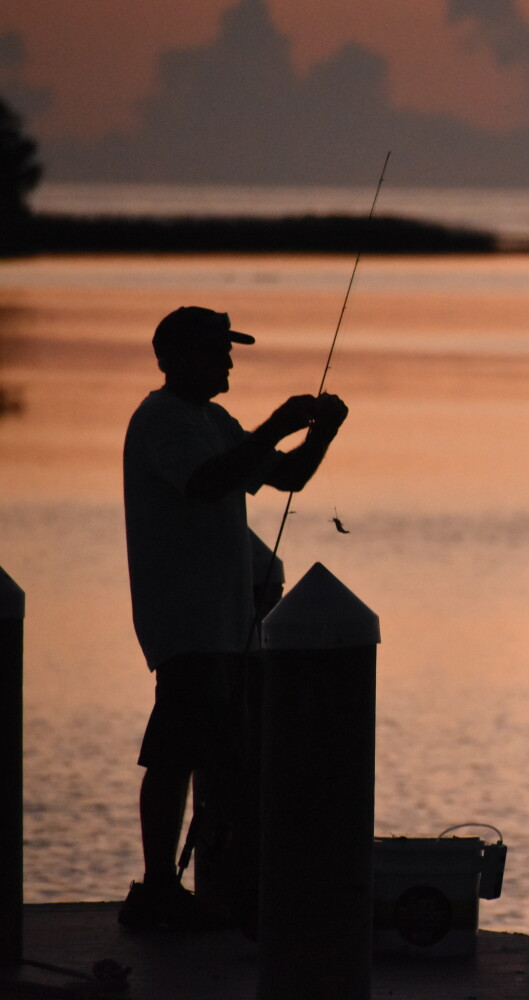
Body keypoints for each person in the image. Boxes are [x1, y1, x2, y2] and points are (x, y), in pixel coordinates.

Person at [119, 306, 348, 930]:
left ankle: (218, 888)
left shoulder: (215, 420)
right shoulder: (161, 421)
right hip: (186, 622)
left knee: (224, 757)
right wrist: (275, 424)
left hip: (230, 622)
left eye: (229, 350)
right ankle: (159, 886)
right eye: (218, 350)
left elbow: (288, 477)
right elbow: (206, 483)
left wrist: (320, 433)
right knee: (174, 753)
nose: (227, 361)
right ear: (176, 357)